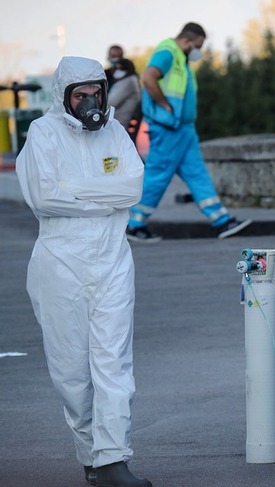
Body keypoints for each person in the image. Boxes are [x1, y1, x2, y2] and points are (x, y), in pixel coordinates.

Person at [15, 56, 152, 487]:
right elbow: (44, 198)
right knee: (72, 370)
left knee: (114, 362)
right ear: (64, 97)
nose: (91, 100)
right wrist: (104, 198)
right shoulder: (43, 133)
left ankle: (114, 459)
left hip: (112, 257)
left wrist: (77, 192)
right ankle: (91, 457)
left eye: (96, 91)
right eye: (81, 94)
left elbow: (132, 187)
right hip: (60, 261)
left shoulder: (114, 132)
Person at [127, 22, 252, 241]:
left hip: (183, 129)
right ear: (187, 41)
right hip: (169, 128)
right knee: (157, 176)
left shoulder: (180, 58)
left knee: (197, 174)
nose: (199, 51)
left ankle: (221, 221)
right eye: (198, 46)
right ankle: (134, 224)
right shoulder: (168, 52)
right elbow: (147, 77)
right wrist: (165, 106)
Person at [108, 57, 143, 143]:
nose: (115, 71)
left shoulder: (127, 82)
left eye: (117, 68)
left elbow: (109, 103)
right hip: (119, 125)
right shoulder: (132, 80)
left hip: (117, 125)